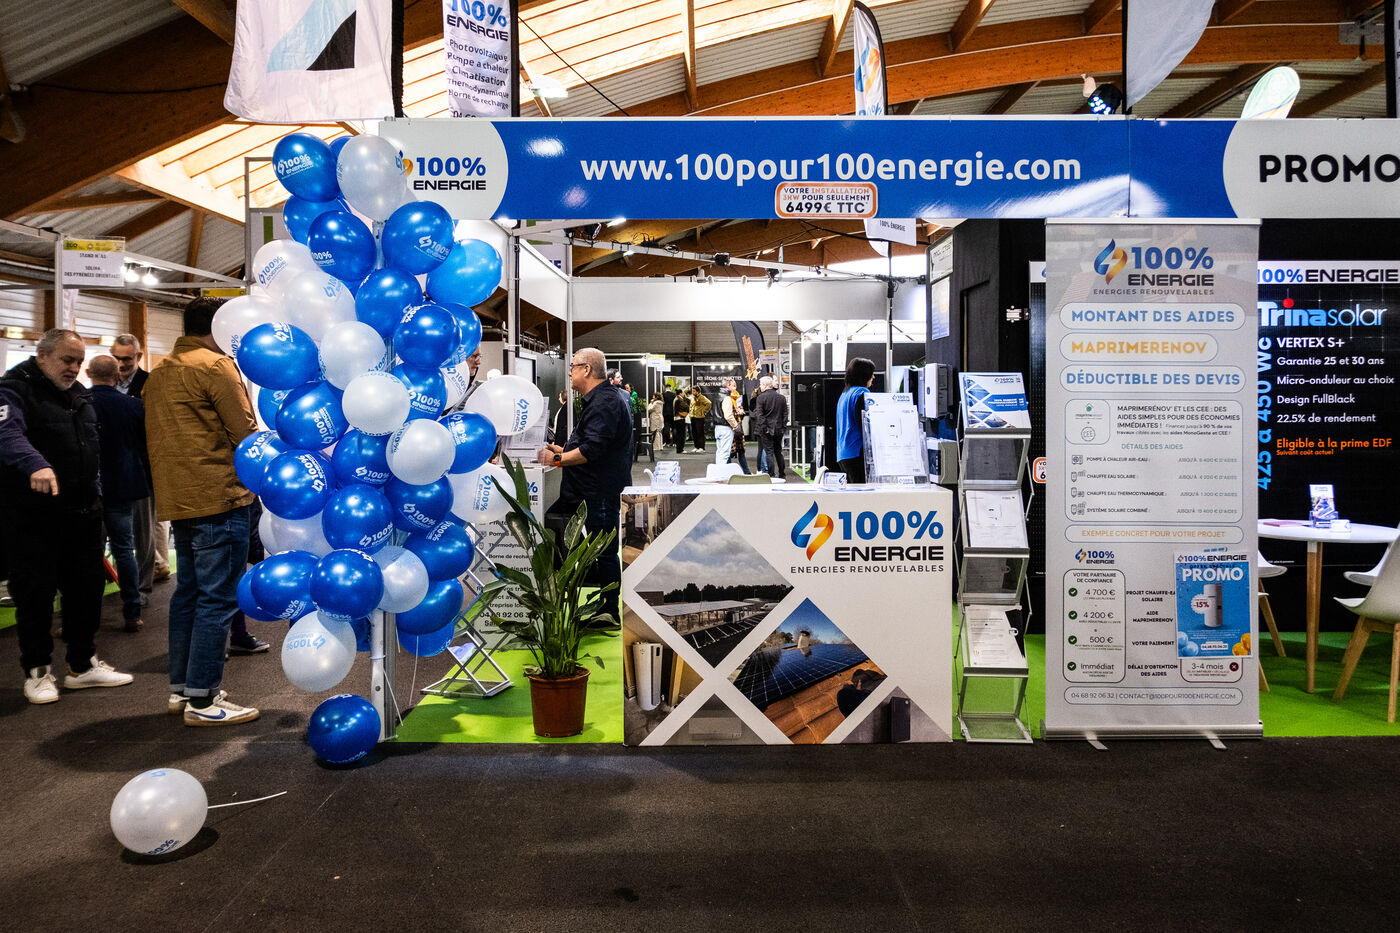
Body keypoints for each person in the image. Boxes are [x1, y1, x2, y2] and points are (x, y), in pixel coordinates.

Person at [0, 329, 134, 704]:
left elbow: (90, 445)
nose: (74, 368)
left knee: (86, 591)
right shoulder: (13, 390)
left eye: (78, 362)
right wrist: (35, 464)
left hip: (83, 512)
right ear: (42, 356)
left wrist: (97, 490)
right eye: (66, 360)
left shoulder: (79, 394)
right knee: (35, 594)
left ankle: (82, 665)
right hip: (32, 515)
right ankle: (38, 671)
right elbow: (6, 434)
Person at [145, 297, 261, 726]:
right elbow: (245, 433)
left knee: (189, 595)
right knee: (217, 598)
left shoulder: (160, 371)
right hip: (219, 496)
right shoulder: (215, 366)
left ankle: (184, 689)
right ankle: (204, 699)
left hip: (180, 499)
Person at [537, 348, 632, 617]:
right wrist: (562, 449)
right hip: (591, 489)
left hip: (598, 490)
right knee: (596, 547)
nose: (569, 373)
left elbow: (593, 450)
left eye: (573, 367)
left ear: (587, 369)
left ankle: (608, 611)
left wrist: (557, 459)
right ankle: (599, 604)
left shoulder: (605, 402)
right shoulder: (602, 399)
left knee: (603, 550)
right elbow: (592, 442)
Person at [86, 355, 150, 633]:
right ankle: (132, 612)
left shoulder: (80, 402)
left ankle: (86, 617)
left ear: (88, 372)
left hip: (88, 488)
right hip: (123, 486)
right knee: (125, 550)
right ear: (117, 376)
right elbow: (144, 444)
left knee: (89, 554)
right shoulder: (133, 406)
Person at [113, 334, 171, 599]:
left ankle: (150, 577)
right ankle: (152, 568)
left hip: (145, 466)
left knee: (150, 525)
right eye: (116, 357)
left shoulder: (150, 383)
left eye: (126, 358)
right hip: (116, 468)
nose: (121, 363)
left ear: (138, 356)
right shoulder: (108, 382)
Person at [836, 356, 876, 483]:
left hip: (844, 453)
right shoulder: (862, 393)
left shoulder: (845, 394)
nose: (873, 377)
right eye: (871, 373)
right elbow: (865, 425)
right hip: (857, 452)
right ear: (864, 375)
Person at [753, 374, 788, 479]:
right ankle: (782, 474)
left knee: (769, 453)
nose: (760, 386)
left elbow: (759, 415)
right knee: (778, 452)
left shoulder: (761, 398)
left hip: (767, 430)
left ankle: (771, 475)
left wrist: (765, 428)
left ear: (765, 385)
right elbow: (785, 414)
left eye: (760, 384)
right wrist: (783, 427)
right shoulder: (781, 398)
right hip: (779, 429)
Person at [722, 380, 751, 473]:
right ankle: (729, 473)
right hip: (731, 427)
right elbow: (727, 415)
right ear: (728, 387)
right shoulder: (727, 398)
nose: (735, 387)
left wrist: (741, 412)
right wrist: (735, 415)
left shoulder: (739, 397)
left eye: (735, 385)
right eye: (733, 385)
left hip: (738, 426)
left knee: (741, 451)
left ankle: (747, 472)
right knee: (729, 452)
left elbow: (741, 409)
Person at [687, 386, 710, 452]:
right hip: (693, 417)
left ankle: (701, 447)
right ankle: (696, 446)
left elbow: (709, 403)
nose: (692, 392)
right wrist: (690, 413)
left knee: (700, 432)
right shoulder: (692, 398)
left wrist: (704, 411)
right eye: (692, 391)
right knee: (694, 432)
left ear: (698, 391)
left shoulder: (702, 397)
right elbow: (691, 406)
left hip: (699, 417)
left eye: (694, 391)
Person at [672, 387, 690, 454]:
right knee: (681, 435)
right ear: (680, 393)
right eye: (683, 392)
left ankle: (680, 449)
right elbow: (685, 407)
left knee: (680, 434)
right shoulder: (678, 400)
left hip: (678, 418)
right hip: (679, 418)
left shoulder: (677, 399)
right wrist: (684, 413)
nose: (684, 394)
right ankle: (680, 449)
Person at [661, 380, 677, 449]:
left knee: (666, 427)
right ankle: (674, 442)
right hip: (672, 413)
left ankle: (666, 442)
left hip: (665, 413)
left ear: (665, 388)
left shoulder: (662, 394)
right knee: (674, 428)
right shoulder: (674, 395)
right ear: (670, 388)